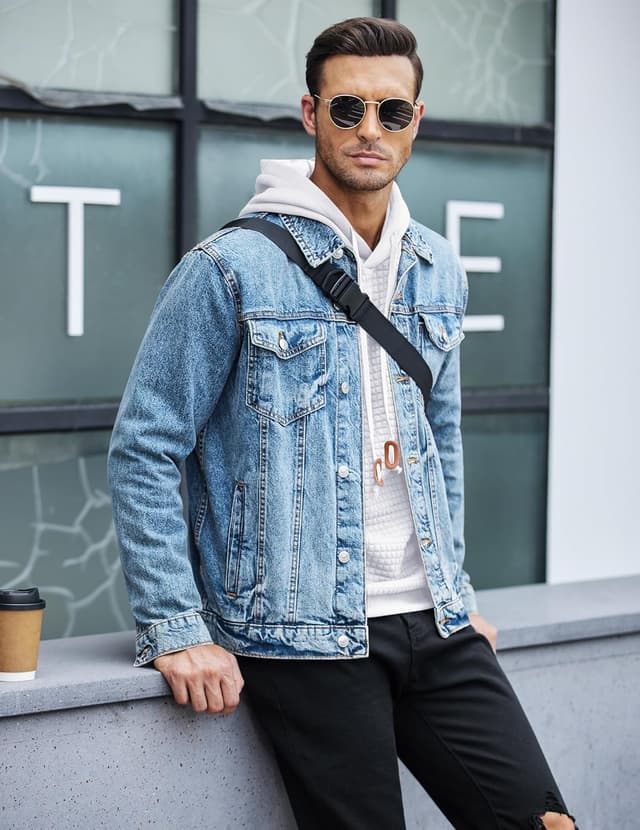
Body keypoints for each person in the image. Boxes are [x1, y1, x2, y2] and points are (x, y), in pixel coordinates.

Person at [108, 16, 577, 830]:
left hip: (435, 622)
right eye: (347, 108)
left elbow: (440, 439)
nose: (370, 130)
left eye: (391, 112)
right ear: (311, 114)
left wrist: (455, 587)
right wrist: (175, 624)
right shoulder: (229, 268)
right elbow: (145, 447)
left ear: (415, 121)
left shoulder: (437, 267)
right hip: (304, 634)